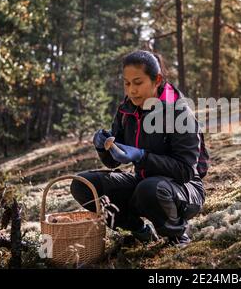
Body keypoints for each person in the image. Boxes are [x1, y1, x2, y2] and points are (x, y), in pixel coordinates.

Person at [70, 50, 206, 247]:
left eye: (138, 82)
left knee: (149, 189)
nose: (131, 90)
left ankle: (177, 235)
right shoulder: (127, 110)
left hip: (184, 189)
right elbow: (113, 162)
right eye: (127, 83)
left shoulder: (178, 112)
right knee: (82, 184)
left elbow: (185, 171)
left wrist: (143, 156)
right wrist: (103, 147)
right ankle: (139, 231)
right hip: (143, 181)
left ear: (157, 79)